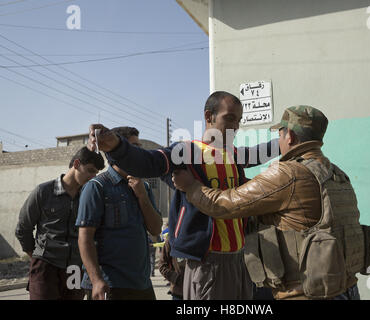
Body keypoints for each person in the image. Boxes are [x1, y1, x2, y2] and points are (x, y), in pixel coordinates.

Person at [87, 91, 279, 300]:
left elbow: (263, 151)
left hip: (239, 259)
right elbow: (148, 161)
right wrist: (116, 145)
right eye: (230, 118)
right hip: (208, 263)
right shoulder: (188, 152)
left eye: (239, 120)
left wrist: (289, 138)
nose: (236, 126)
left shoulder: (233, 155)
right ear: (209, 117)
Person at [172, 105, 370, 300]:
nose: (279, 140)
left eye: (279, 134)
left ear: (290, 136)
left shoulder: (287, 173)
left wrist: (191, 187)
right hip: (346, 288)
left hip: (306, 293)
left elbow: (225, 204)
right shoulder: (336, 174)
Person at [76, 126, 162, 300]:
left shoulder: (143, 187)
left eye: (139, 147)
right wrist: (97, 280)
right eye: (133, 147)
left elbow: (155, 229)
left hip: (142, 284)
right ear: (115, 151)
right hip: (110, 285)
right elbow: (84, 238)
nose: (138, 152)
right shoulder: (96, 187)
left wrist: (142, 197)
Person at [15, 147, 104, 300]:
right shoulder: (43, 192)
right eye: (90, 170)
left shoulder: (88, 197)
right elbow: (23, 229)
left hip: (74, 270)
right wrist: (37, 256)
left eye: (96, 173)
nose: (92, 176)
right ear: (76, 164)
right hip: (45, 266)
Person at [159, 236, 185, 300]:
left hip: (196, 291)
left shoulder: (197, 238)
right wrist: (175, 278)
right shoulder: (171, 241)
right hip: (178, 292)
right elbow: (162, 265)